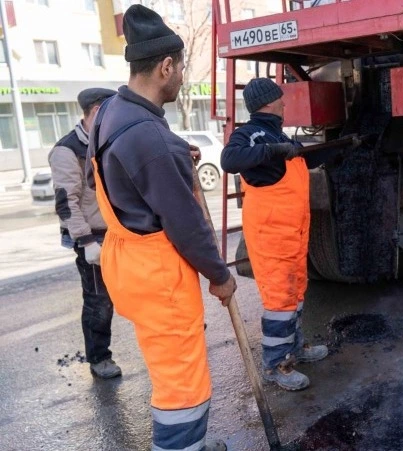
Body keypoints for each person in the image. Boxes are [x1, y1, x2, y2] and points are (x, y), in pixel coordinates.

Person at [86, 5, 235, 450]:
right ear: (165, 66)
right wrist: (221, 277)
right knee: (181, 384)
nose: (183, 77)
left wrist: (171, 155)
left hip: (129, 265)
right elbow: (187, 226)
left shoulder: (111, 112)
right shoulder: (149, 138)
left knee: (167, 366)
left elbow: (129, 171)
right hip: (159, 279)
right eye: (182, 68)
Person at [220, 77, 329, 392]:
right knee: (280, 301)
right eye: (280, 99)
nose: (284, 103)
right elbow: (230, 159)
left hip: (291, 234)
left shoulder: (275, 134)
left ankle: (295, 349)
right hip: (270, 235)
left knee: (294, 295)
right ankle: (276, 365)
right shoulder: (251, 134)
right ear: (268, 102)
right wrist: (274, 149)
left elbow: (297, 161)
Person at [48, 87, 121, 379]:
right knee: (98, 300)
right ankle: (99, 358)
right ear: (96, 111)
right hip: (92, 237)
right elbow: (66, 203)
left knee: (137, 288)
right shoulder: (68, 150)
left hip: (118, 232)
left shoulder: (107, 140)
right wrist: (86, 241)